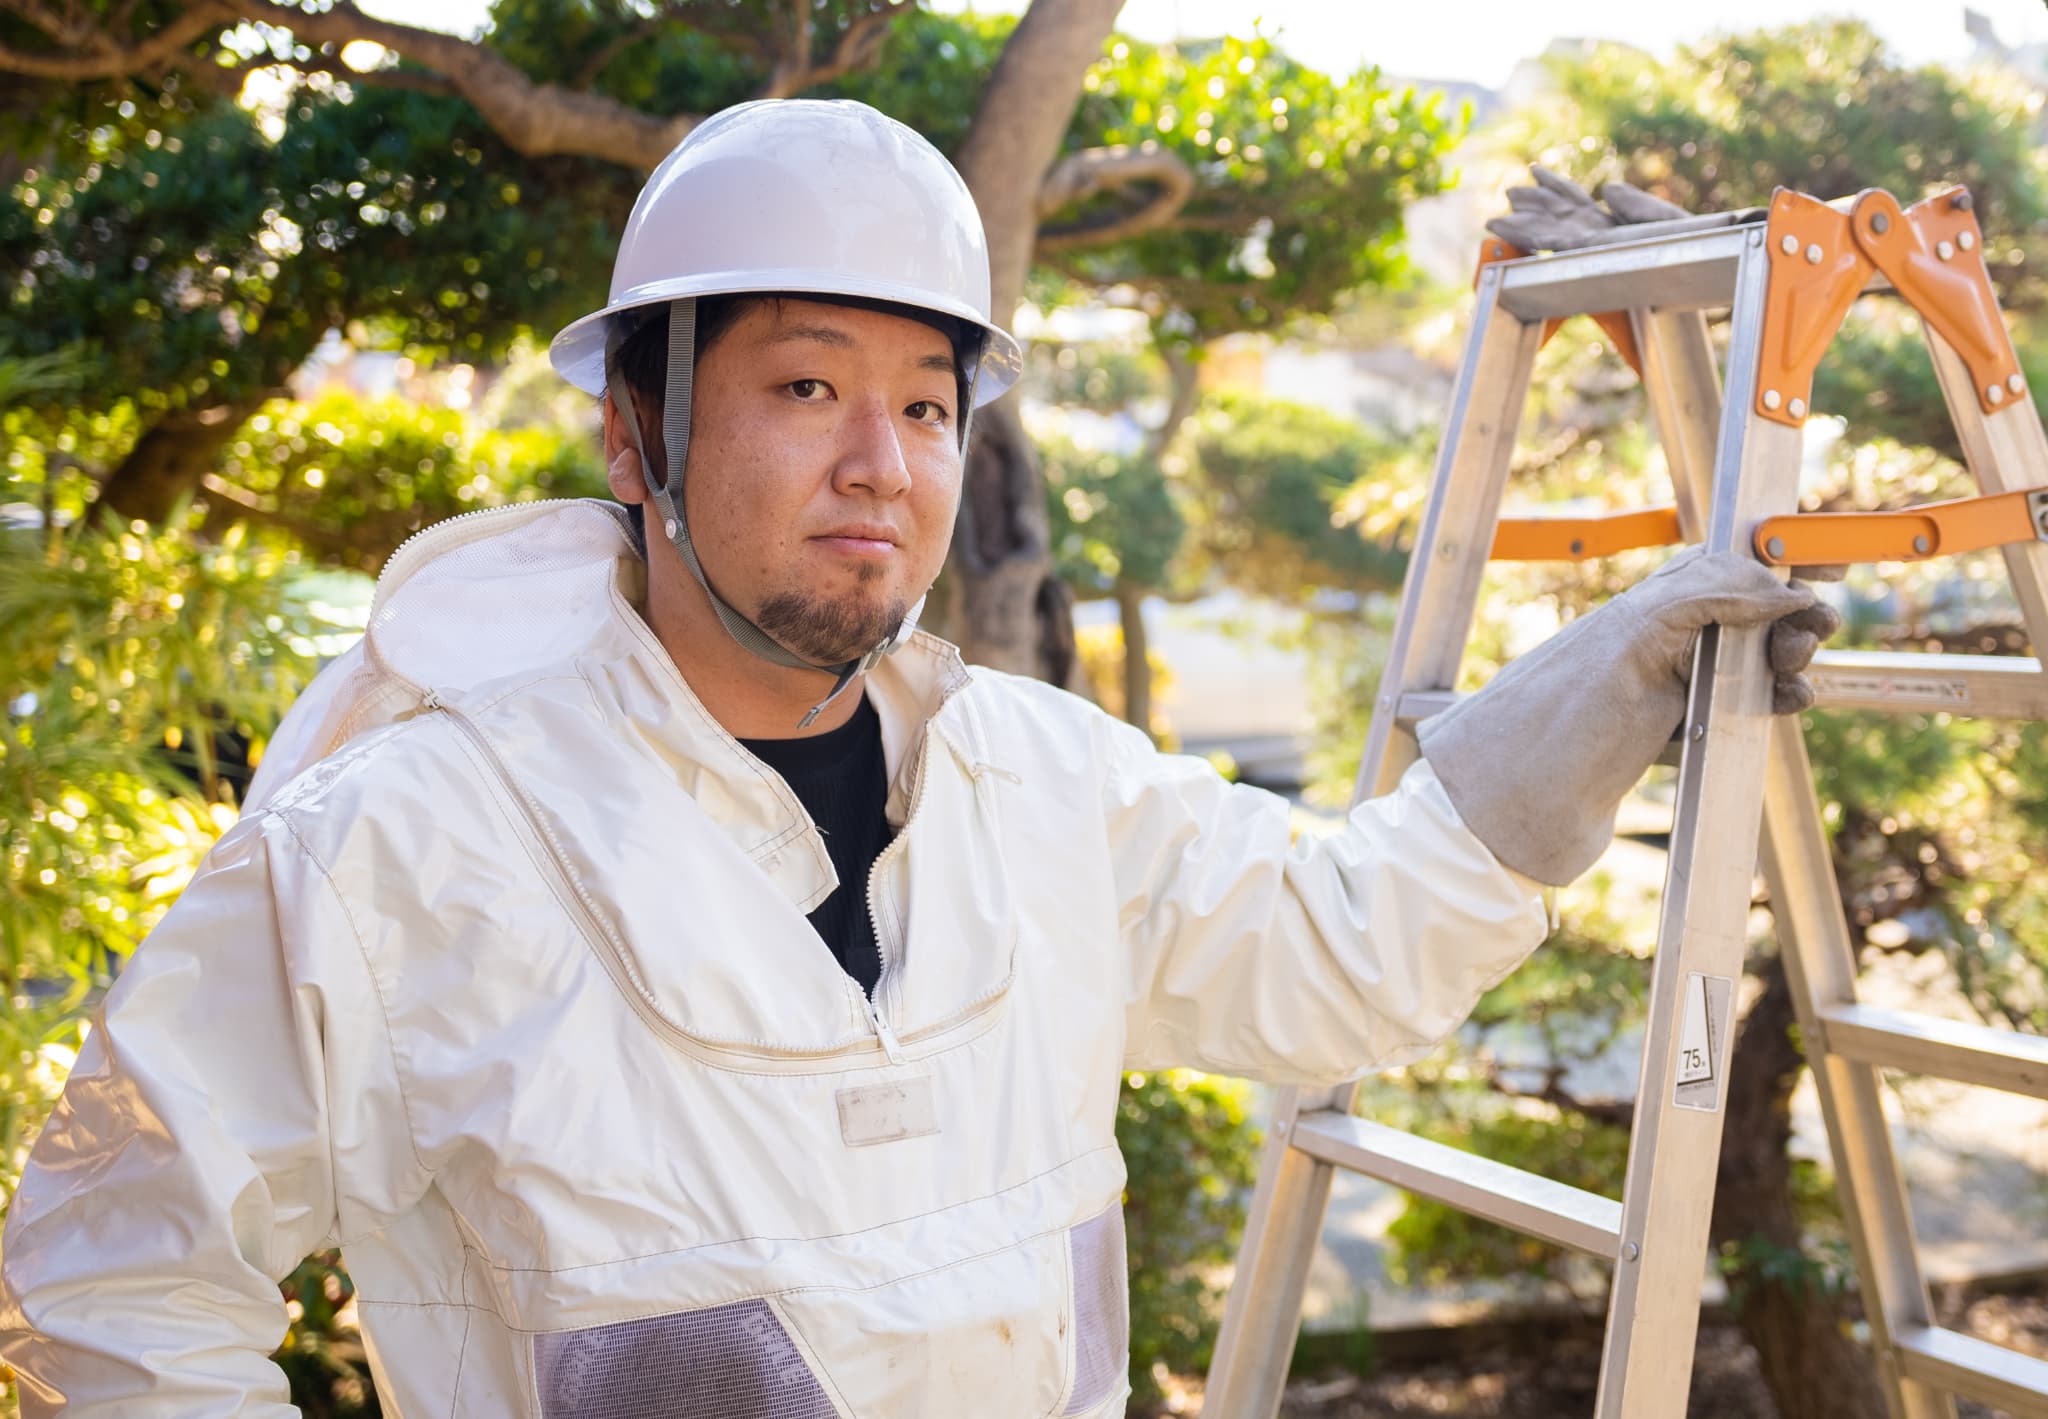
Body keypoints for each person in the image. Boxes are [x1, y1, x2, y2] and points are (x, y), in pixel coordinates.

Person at [0, 100, 1835, 1417]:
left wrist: (1599, 688)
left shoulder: (1034, 779)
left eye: (928, 404)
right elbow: (115, 1276)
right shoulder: (405, 839)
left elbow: (1336, 949)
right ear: (637, 433)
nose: (883, 463)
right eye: (806, 386)